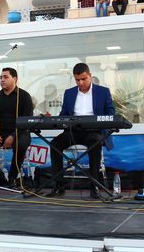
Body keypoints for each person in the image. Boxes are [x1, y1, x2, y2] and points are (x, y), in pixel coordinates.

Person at [46, 63, 115, 199]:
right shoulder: (69, 93)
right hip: (73, 131)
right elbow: (63, 115)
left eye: (84, 79)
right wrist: (53, 119)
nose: (81, 83)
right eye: (77, 80)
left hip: (93, 131)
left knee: (95, 144)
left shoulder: (103, 92)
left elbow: (111, 113)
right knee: (55, 144)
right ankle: (59, 186)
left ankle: (94, 186)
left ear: (90, 76)